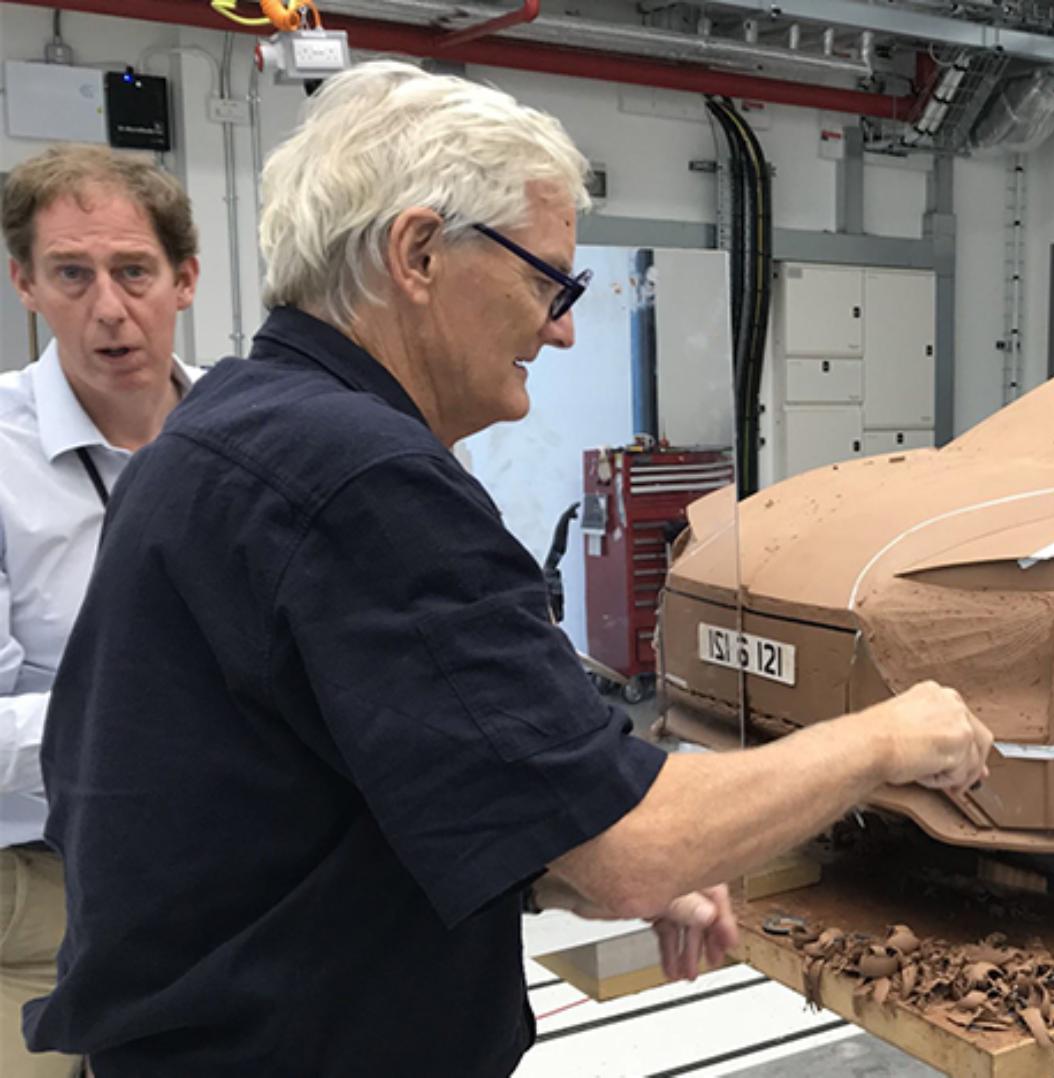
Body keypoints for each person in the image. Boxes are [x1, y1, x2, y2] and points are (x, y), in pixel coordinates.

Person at [23, 62, 992, 1076]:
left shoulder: (219, 429)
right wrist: (887, 736)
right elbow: (633, 848)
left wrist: (562, 852)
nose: (564, 325)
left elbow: (340, 810)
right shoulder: (363, 479)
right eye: (549, 281)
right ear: (419, 252)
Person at [1, 146, 201, 1078]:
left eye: (133, 272)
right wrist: (158, 719)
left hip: (228, 876)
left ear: (185, 278)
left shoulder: (256, 438)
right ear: (24, 284)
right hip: (41, 900)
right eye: (71, 276)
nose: (109, 309)